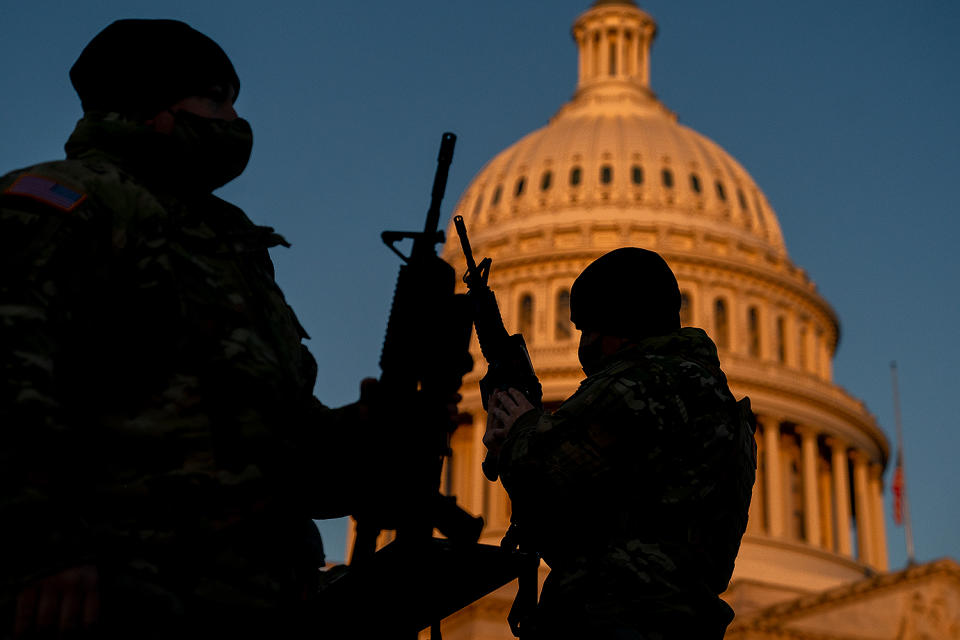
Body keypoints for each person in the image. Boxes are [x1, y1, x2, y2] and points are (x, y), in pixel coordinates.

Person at [0, 19, 379, 638]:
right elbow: (9, 375)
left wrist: (361, 436)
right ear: (157, 109)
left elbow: (264, 440)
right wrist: (45, 550)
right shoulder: (68, 203)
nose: (234, 122)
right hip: (117, 597)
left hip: (251, 600)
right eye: (216, 99)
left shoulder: (226, 238)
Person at [484, 248, 757, 639]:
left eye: (593, 328)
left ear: (624, 324)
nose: (586, 346)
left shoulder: (639, 384)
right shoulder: (721, 405)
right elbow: (589, 524)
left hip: (615, 618)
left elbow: (546, 475)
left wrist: (519, 428)